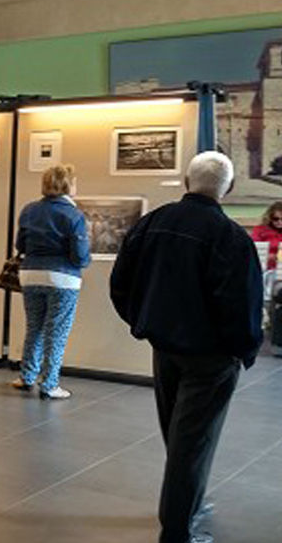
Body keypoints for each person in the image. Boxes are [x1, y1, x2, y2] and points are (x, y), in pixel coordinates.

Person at [110, 152, 263, 543]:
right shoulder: (230, 237)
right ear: (227, 188)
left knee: (177, 434)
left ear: (185, 181)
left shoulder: (152, 223)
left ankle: (186, 501)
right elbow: (241, 304)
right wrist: (242, 350)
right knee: (192, 440)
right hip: (210, 357)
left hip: (165, 348)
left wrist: (144, 322)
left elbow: (120, 283)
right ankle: (176, 530)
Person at [11, 165, 91, 399]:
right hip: (62, 277)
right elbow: (80, 255)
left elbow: (20, 245)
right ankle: (49, 384)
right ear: (68, 185)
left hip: (30, 274)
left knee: (34, 327)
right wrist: (84, 260)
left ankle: (26, 377)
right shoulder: (74, 215)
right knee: (56, 331)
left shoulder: (29, 210)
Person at [251, 201, 282, 270]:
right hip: (264, 267)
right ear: (270, 218)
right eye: (276, 219)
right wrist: (268, 256)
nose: (280, 222)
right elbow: (254, 247)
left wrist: (277, 256)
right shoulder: (260, 230)